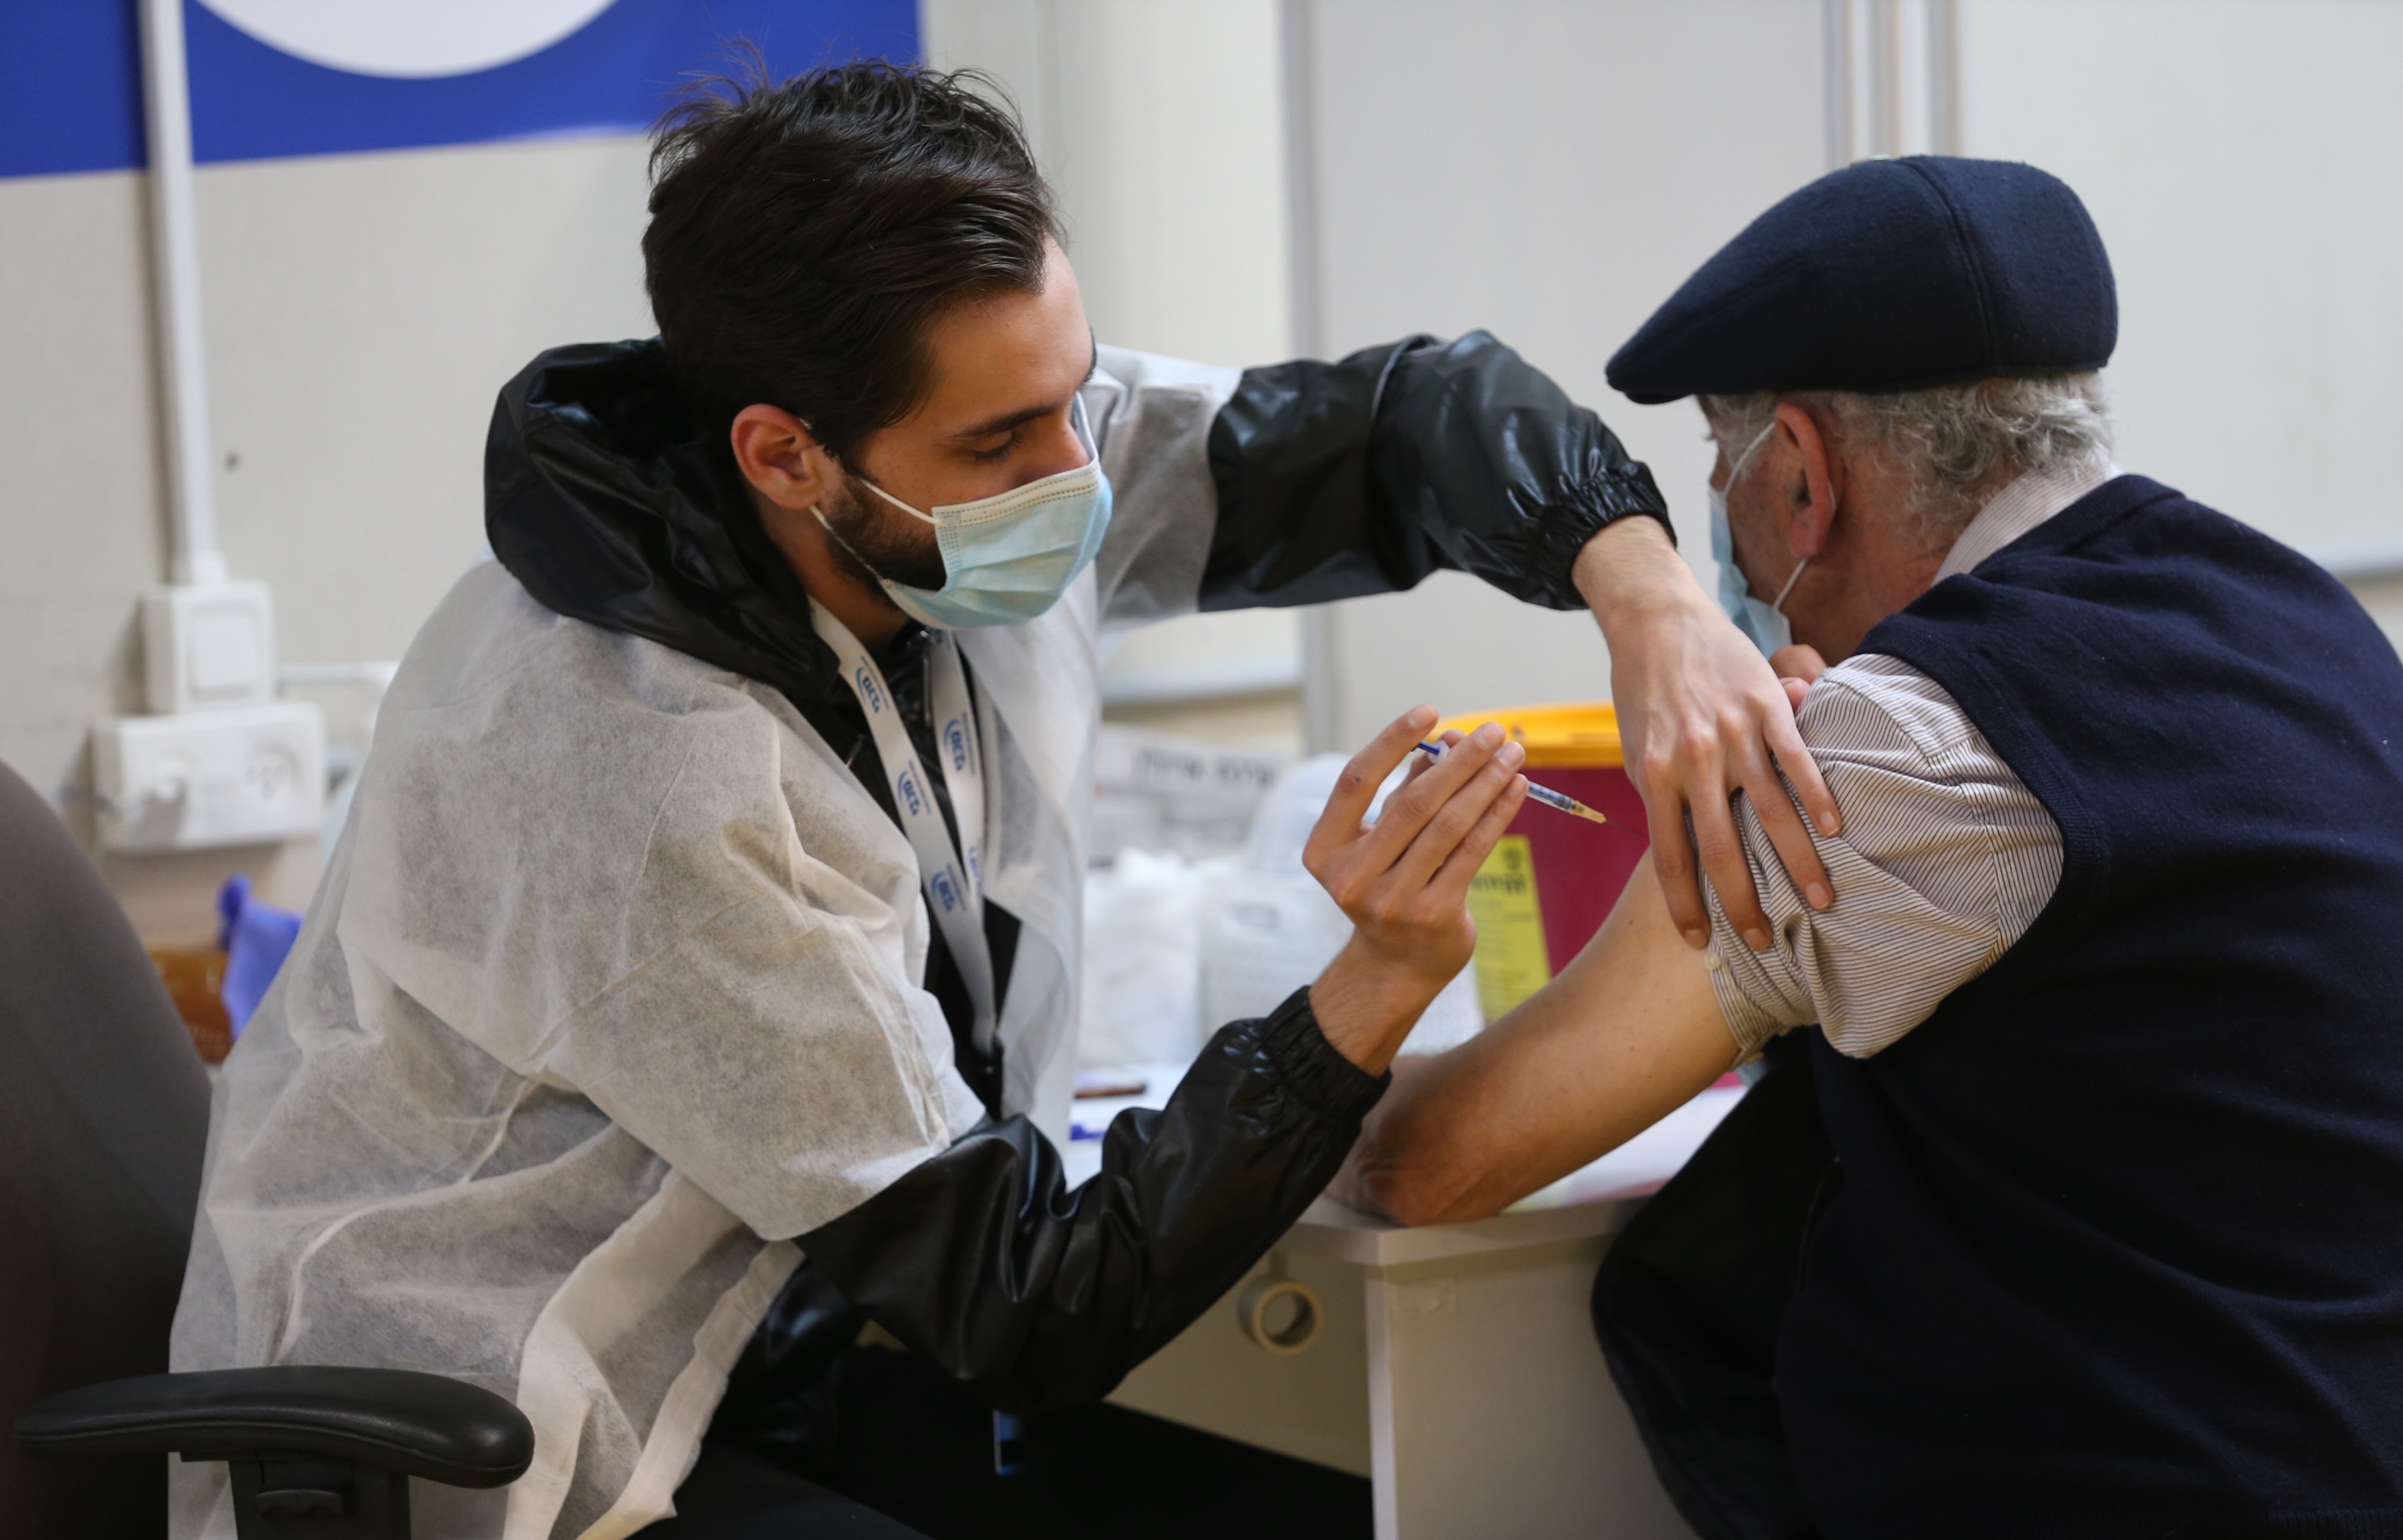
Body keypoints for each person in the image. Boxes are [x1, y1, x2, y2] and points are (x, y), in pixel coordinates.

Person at [166, 62, 1826, 1540]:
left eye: (1075, 392)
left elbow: (1402, 427)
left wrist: (1649, 599)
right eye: (1005, 441)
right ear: (781, 452)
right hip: (511, 1435)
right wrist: (1366, 990)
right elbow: (1022, 1299)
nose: (1080, 478)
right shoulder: (654, 755)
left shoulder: (956, 475)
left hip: (773, 1333)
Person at [1332, 155, 2403, 1538]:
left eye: (1718, 469)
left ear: (1799, 473)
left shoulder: (1892, 744)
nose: (1718, 518)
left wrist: (1354, 1004)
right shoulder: (2301, 620)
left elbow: (1438, 1164)